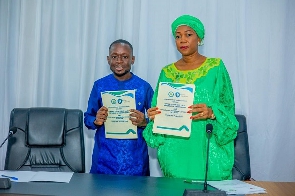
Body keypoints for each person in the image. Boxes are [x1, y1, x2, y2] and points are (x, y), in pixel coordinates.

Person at [143, 15, 239, 181]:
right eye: (178, 36)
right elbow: (158, 108)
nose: (182, 40)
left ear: (199, 38)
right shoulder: (167, 72)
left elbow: (227, 106)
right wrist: (155, 115)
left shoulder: (216, 67)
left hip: (207, 150)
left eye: (188, 34)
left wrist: (211, 112)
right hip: (175, 151)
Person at [84, 39, 154, 176]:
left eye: (125, 57)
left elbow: (158, 121)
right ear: (108, 59)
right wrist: (96, 120)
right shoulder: (100, 85)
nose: (119, 61)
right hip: (104, 160)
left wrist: (144, 122)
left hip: (136, 162)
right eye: (114, 56)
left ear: (133, 59)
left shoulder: (143, 87)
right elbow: (88, 117)